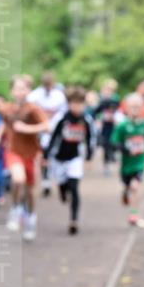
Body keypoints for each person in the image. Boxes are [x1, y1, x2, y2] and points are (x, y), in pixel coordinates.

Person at [0, 75, 49, 241]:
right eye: (17, 89)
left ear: (29, 90)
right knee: (18, 179)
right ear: (11, 91)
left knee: (30, 191)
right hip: (13, 151)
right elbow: (5, 123)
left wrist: (27, 128)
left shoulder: (33, 109)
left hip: (30, 154)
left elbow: (46, 127)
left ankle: (30, 218)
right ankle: (15, 210)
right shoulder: (7, 109)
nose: (19, 92)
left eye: (23, 88)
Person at [44, 88, 96, 235]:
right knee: (63, 188)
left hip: (75, 158)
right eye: (74, 104)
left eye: (80, 104)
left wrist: (89, 157)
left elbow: (90, 139)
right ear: (69, 104)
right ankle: (62, 190)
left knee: (74, 187)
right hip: (59, 159)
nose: (77, 107)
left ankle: (74, 220)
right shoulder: (62, 118)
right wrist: (46, 156)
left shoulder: (86, 120)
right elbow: (53, 138)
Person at [111, 93, 144, 226]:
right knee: (128, 186)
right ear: (127, 108)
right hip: (126, 164)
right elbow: (114, 143)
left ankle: (133, 214)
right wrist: (125, 149)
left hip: (139, 163)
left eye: (138, 107)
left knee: (135, 186)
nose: (135, 109)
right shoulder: (122, 126)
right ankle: (125, 192)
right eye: (132, 107)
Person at [26, 71, 67, 197]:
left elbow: (63, 113)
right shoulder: (34, 96)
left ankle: (56, 178)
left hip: (55, 131)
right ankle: (45, 181)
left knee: (54, 155)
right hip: (39, 131)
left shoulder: (59, 96)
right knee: (44, 155)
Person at [89, 78, 121, 176]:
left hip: (114, 126)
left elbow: (120, 112)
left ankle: (113, 155)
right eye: (106, 90)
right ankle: (106, 165)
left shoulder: (116, 100)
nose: (107, 92)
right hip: (105, 127)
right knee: (106, 145)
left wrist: (116, 119)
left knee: (114, 143)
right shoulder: (102, 101)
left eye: (109, 90)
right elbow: (95, 113)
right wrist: (99, 119)